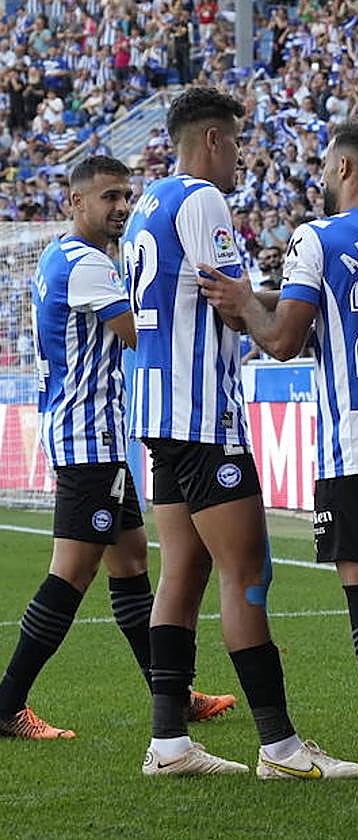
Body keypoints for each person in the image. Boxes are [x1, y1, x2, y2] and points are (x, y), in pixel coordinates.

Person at [196, 120, 358, 789]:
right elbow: (345, 313)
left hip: (355, 438)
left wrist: (244, 303)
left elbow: (281, 341)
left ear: (342, 166)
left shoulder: (318, 236)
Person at [121, 87, 358, 779]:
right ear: (214, 141)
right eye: (237, 145)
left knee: (184, 571)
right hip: (203, 417)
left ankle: (168, 744)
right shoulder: (201, 199)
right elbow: (233, 308)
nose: (240, 162)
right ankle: (281, 749)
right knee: (248, 572)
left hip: (160, 414)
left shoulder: (149, 204)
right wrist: (290, 314)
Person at [0, 156, 234, 742]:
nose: (121, 207)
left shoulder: (67, 256)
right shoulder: (85, 264)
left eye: (126, 196)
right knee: (71, 573)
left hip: (95, 435)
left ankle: (173, 694)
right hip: (89, 439)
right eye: (108, 197)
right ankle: (7, 705)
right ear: (75, 203)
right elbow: (139, 332)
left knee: (130, 562)